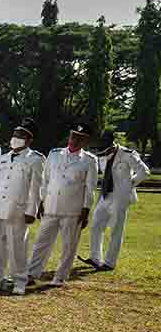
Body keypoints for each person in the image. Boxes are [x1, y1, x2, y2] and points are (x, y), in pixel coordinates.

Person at [26, 122, 98, 287]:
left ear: (85, 141)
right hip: (51, 205)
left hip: (73, 210)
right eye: (73, 136)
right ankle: (31, 273)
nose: (75, 140)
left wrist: (86, 209)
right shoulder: (54, 154)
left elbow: (90, 188)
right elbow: (46, 180)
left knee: (69, 246)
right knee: (41, 242)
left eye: (79, 138)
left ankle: (60, 277)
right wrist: (42, 200)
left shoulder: (89, 160)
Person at [0, 119, 43, 296]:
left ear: (29, 139)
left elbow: (36, 187)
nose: (16, 137)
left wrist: (32, 210)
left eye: (21, 135)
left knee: (17, 247)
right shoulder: (3, 158)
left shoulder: (35, 159)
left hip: (18, 210)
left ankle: (20, 281)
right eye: (15, 134)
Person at [80, 130, 151, 271]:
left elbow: (144, 172)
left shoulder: (128, 154)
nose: (104, 153)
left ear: (112, 145)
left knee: (116, 230)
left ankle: (109, 262)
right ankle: (95, 258)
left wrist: (129, 184)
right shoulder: (102, 154)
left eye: (106, 150)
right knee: (96, 225)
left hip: (120, 197)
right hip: (105, 195)